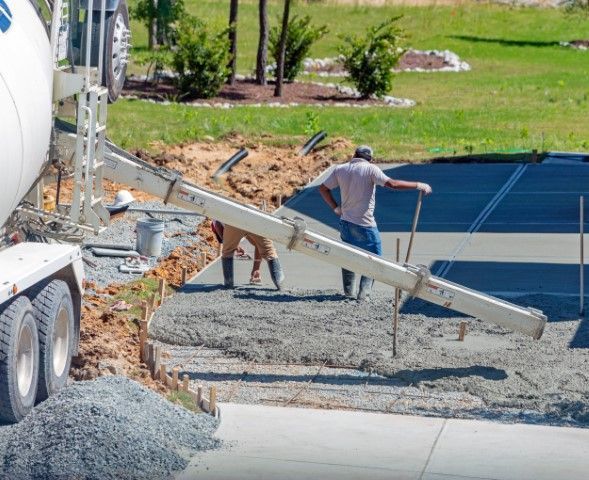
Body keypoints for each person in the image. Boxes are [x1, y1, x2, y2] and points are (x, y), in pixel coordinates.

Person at [319, 145, 432, 301]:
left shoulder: (340, 169)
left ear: (354, 155)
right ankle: (363, 294)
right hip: (365, 225)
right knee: (375, 259)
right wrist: (418, 185)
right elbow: (392, 184)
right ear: (370, 158)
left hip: (345, 222)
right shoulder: (371, 169)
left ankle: (348, 292)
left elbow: (323, 189)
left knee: (348, 256)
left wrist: (335, 208)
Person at [212, 220, 285, 290]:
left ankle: (228, 284)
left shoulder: (217, 222)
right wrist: (256, 269)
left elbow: (219, 226)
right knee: (269, 251)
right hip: (255, 219)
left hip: (233, 221)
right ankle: (280, 284)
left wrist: (231, 245)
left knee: (227, 252)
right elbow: (258, 244)